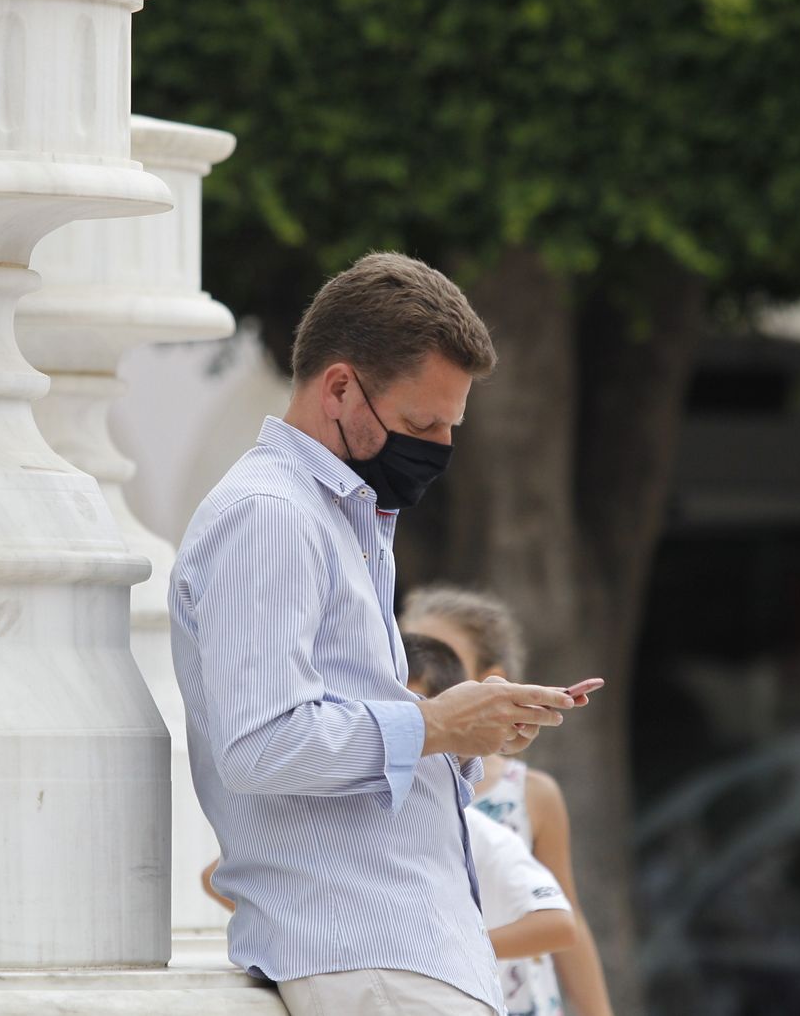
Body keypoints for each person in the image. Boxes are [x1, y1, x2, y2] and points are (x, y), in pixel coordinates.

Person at [170, 252, 582, 1016]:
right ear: (338, 387)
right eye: (420, 423)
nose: (437, 448)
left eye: (449, 427)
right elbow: (259, 744)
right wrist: (432, 723)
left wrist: (467, 730)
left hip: (400, 951)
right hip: (368, 955)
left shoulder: (338, 521)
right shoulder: (274, 516)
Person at [403, 584, 616, 1016]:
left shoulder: (531, 793)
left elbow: (564, 911)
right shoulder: (388, 781)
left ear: (490, 678)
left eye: (439, 654)